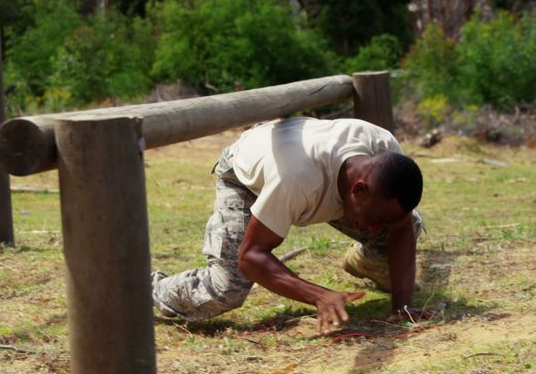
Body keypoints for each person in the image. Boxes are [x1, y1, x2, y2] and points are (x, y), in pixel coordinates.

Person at [151, 116, 427, 333]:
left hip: (300, 153)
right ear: (358, 190)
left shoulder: (384, 148)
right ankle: (147, 289)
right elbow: (251, 256)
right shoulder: (296, 179)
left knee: (408, 226)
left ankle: (364, 262)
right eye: (376, 220)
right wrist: (319, 295)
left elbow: (400, 227)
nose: (378, 229)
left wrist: (403, 308)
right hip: (247, 174)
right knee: (226, 289)